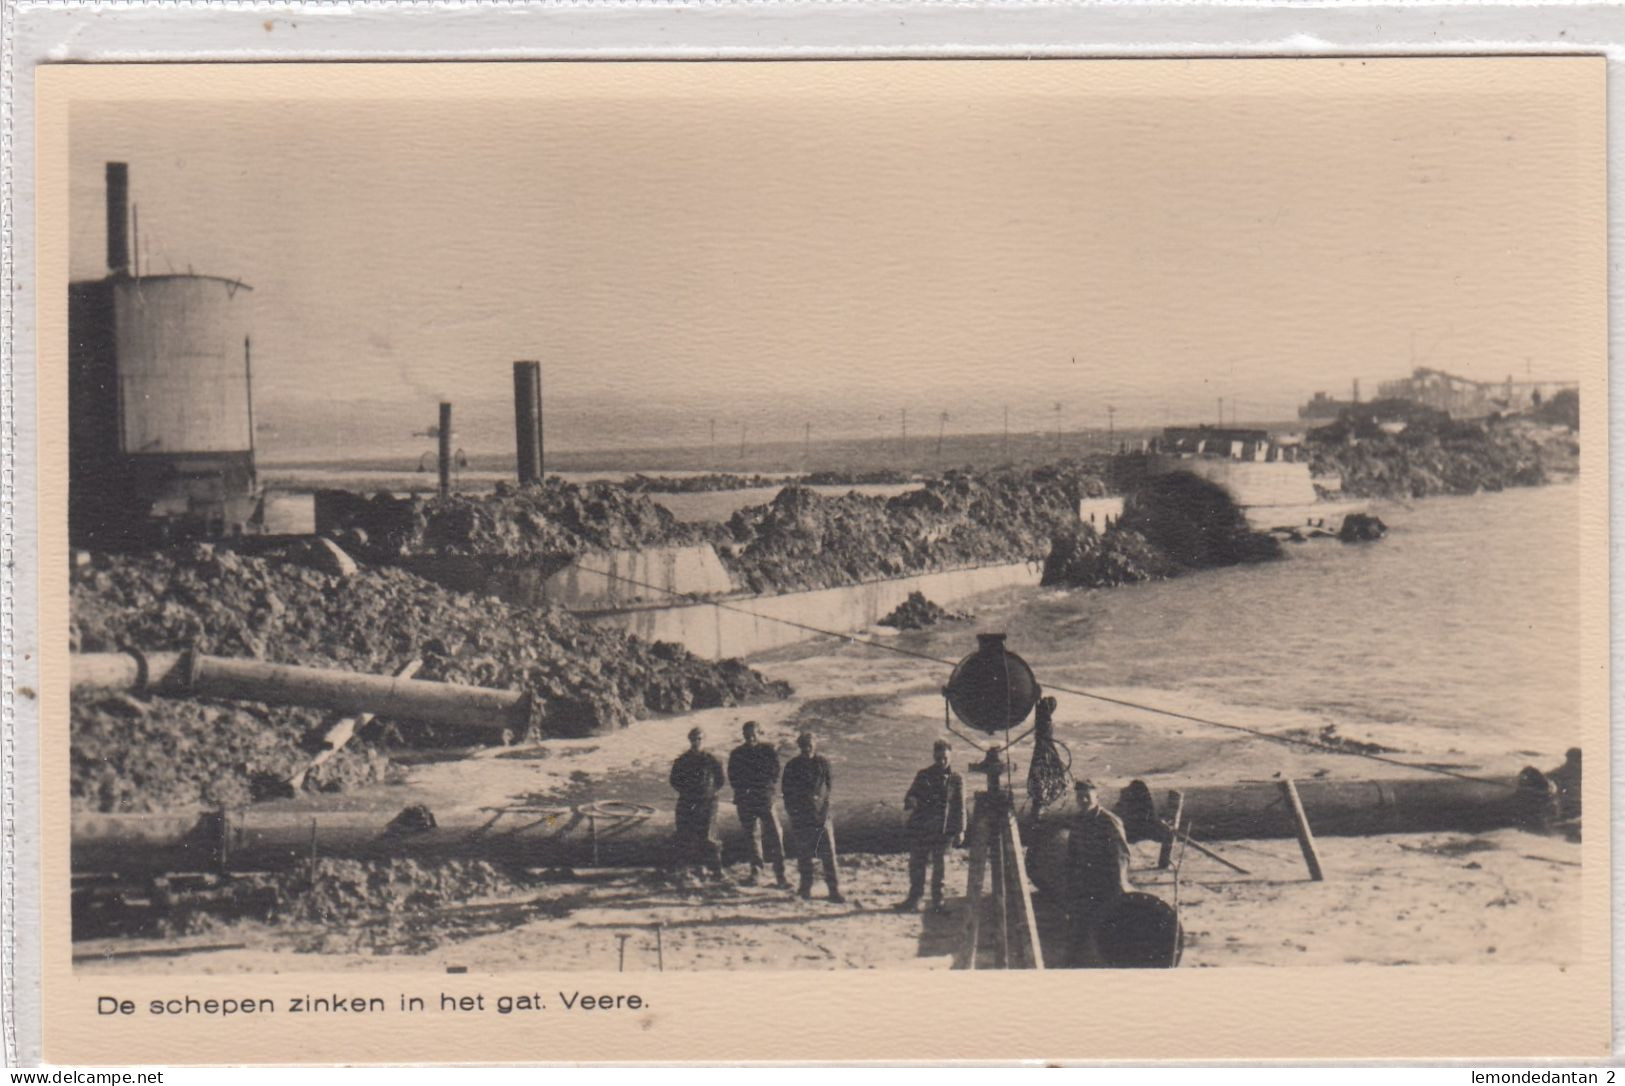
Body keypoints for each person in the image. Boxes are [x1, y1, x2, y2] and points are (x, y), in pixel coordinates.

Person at [1065, 778, 1132, 966]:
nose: (1083, 800)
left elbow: (1121, 855)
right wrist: (1070, 883)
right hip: (1083, 885)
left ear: (1097, 797)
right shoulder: (1078, 821)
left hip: (1105, 884)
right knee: (1080, 927)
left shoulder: (1109, 821)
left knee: (1107, 926)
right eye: (1080, 797)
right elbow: (1072, 854)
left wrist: (1120, 885)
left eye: (1087, 797)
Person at [894, 739, 966, 913]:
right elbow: (911, 795)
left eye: (945, 757)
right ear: (934, 755)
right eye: (939, 757)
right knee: (917, 866)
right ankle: (914, 900)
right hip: (923, 828)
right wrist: (911, 801)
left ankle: (938, 903)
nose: (942, 761)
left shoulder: (957, 779)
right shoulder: (923, 775)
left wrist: (961, 830)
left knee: (941, 869)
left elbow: (960, 806)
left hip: (944, 830)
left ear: (951, 756)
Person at [781, 731, 844, 903]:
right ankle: (805, 889)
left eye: (809, 745)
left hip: (822, 815)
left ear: (814, 745)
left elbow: (828, 787)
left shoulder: (823, 763)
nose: (806, 748)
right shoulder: (792, 766)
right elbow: (786, 792)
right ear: (799, 746)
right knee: (804, 855)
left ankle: (834, 890)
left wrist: (822, 806)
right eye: (803, 745)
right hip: (801, 816)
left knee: (828, 854)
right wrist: (793, 813)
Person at [727, 721, 790, 887]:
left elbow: (774, 773)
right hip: (745, 800)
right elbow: (733, 777)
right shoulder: (737, 754)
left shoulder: (768, 751)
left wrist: (758, 786)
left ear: (759, 734)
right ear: (743, 736)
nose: (751, 738)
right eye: (747, 735)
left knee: (775, 835)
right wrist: (746, 788)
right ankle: (755, 874)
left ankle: (781, 876)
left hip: (765, 798)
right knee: (752, 837)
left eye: (754, 735)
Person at [668, 726, 726, 880]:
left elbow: (720, 781)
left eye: (699, 739)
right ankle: (686, 869)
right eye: (694, 739)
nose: (696, 742)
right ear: (690, 740)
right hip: (687, 802)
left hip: (707, 802)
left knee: (709, 836)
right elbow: (674, 780)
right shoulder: (682, 760)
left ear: (704, 740)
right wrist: (687, 792)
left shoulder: (712, 760)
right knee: (685, 834)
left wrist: (707, 792)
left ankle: (716, 869)